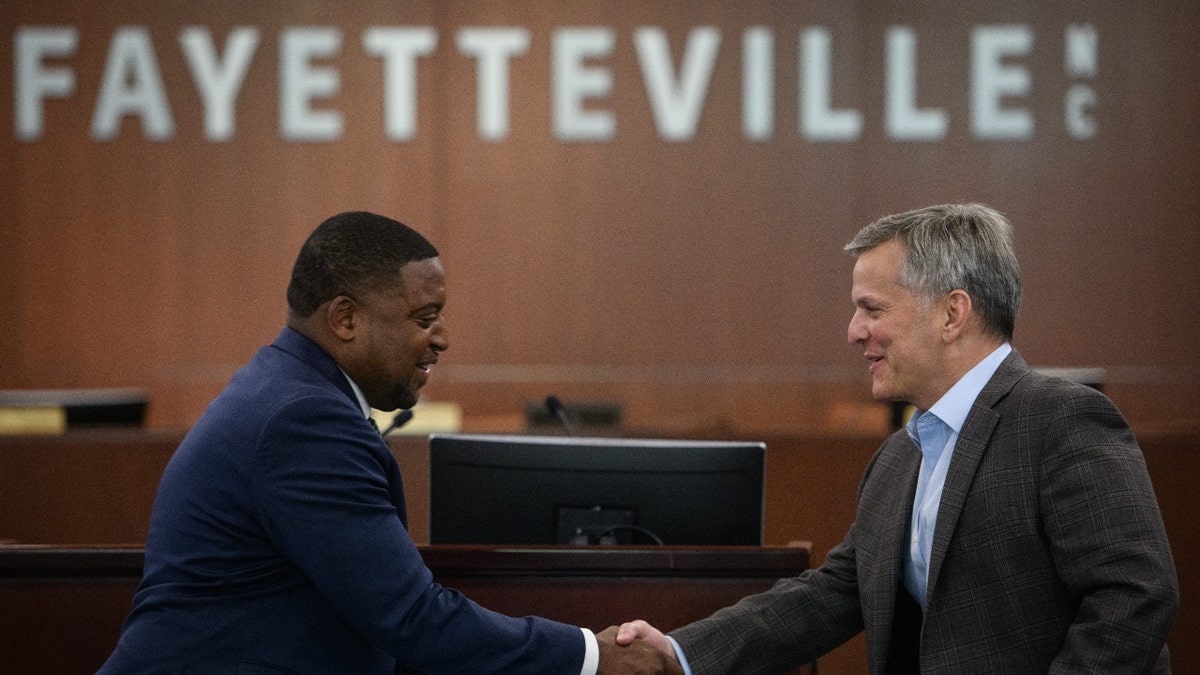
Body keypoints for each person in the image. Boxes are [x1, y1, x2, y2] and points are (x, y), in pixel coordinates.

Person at [99, 211, 678, 674]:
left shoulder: (289, 391)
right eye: (425, 317)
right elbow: (412, 618)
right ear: (346, 319)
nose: (443, 339)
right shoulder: (305, 422)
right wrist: (593, 657)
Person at [617, 203, 1179, 673]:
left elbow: (1134, 598)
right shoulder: (898, 457)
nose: (853, 330)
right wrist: (680, 653)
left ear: (952, 314)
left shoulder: (1063, 421)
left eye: (872, 308)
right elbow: (834, 593)